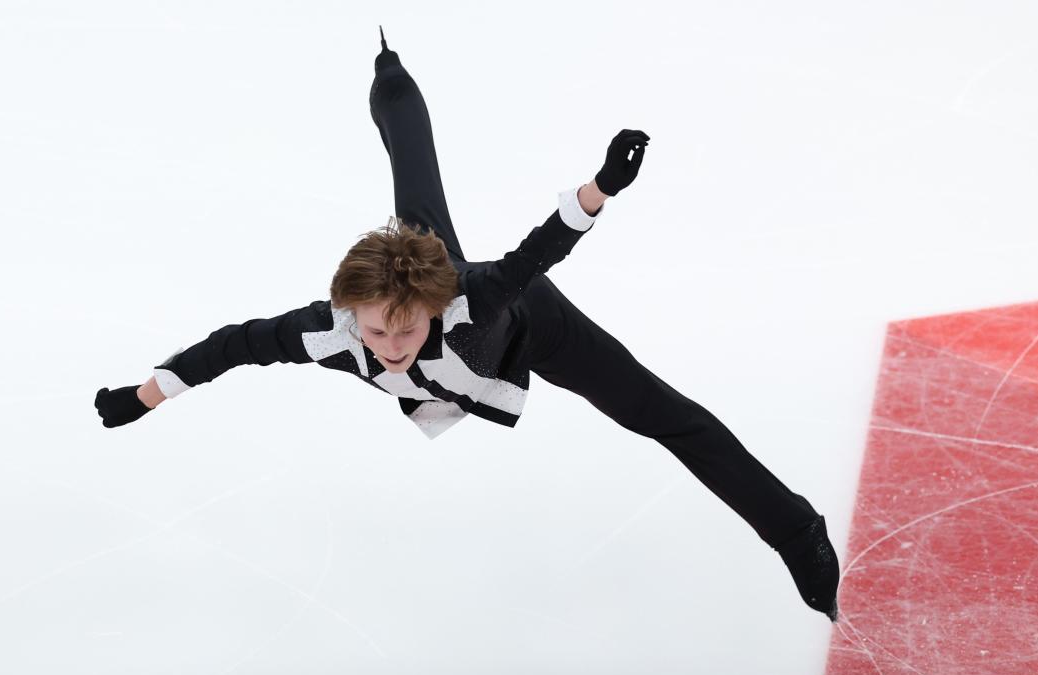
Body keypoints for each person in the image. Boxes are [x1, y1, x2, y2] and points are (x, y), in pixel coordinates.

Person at [95, 28, 841, 621]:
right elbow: (234, 346)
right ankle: (391, 79)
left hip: (530, 326)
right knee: (413, 182)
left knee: (661, 414)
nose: (386, 353)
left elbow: (538, 249)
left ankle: (796, 532)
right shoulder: (330, 330)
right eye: (375, 335)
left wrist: (602, 186)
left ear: (431, 310)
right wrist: (144, 394)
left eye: (403, 333)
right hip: (437, 295)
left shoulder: (472, 298)